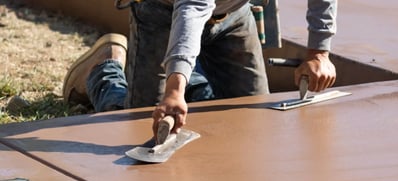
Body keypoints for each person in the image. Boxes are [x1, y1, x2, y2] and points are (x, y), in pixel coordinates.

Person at [63, 0, 337, 135]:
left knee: (251, 119)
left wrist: (319, 53)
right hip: (164, 11)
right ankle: (103, 71)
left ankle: (186, 83)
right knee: (141, 121)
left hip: (235, 14)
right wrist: (173, 88)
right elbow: (191, 10)